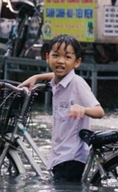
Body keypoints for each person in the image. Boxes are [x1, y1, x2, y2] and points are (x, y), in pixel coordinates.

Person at [20, 34, 105, 182]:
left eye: (67, 57)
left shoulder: (77, 83)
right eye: (56, 55)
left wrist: (83, 109)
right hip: (60, 155)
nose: (60, 61)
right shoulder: (57, 82)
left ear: (77, 62)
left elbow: (100, 111)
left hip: (72, 157)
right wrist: (37, 77)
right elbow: (56, 74)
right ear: (47, 57)